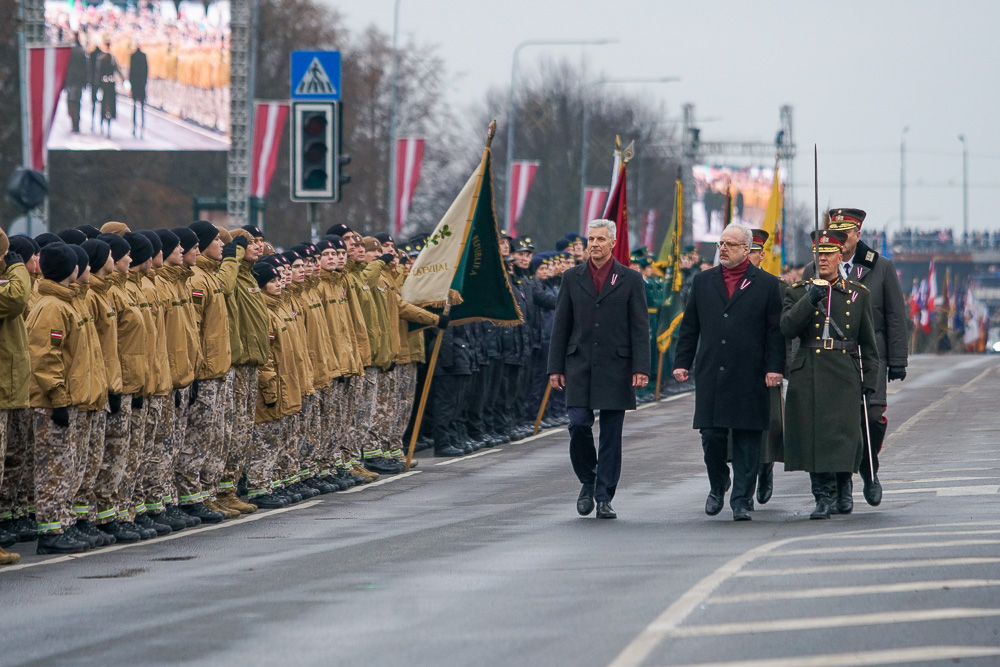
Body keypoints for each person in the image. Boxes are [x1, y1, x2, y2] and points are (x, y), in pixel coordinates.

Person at [672, 223, 784, 521]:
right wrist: (682, 362)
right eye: (721, 243)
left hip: (750, 372)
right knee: (711, 435)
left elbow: (775, 332)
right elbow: (690, 327)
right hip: (713, 371)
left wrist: (775, 368)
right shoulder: (703, 281)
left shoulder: (766, 284)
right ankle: (718, 483)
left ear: (746, 250)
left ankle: (742, 500)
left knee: (748, 438)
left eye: (730, 245)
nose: (722, 248)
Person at [801, 208, 908, 506]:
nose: (841, 238)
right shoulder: (815, 269)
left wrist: (898, 360)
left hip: (870, 355)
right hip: (831, 359)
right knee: (837, 423)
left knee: (871, 419)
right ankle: (841, 482)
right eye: (835, 233)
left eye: (846, 233)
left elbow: (895, 317)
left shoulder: (880, 267)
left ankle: (868, 468)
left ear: (857, 235)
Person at [547, 219, 650, 520]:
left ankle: (604, 495)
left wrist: (640, 366)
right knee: (578, 424)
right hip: (578, 364)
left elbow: (639, 326)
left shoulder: (630, 279)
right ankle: (587, 479)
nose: (594, 244)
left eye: (600, 239)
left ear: (612, 243)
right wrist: (555, 367)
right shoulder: (571, 277)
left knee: (610, 435)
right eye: (591, 239)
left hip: (616, 366)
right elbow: (561, 325)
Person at [782, 229, 879, 519]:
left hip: (844, 372)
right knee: (814, 436)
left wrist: (870, 382)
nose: (822, 259)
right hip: (809, 369)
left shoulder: (857, 295)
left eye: (828, 254)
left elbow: (868, 344)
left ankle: (844, 488)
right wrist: (809, 300)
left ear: (841, 256)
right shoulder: (799, 291)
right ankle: (821, 496)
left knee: (844, 434)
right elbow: (786, 328)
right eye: (818, 254)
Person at [65, 33, 89, 133]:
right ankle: (76, 123)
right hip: (78, 81)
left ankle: (73, 121)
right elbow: (86, 68)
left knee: (71, 102)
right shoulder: (82, 52)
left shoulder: (69, 52)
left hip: (70, 81)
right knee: (77, 102)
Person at [129, 40, 148, 138]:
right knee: (142, 108)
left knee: (134, 108)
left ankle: (134, 126)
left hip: (135, 85)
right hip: (141, 85)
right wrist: (145, 85)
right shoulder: (144, 56)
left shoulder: (132, 56)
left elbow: (131, 72)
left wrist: (131, 86)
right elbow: (146, 72)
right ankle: (142, 126)